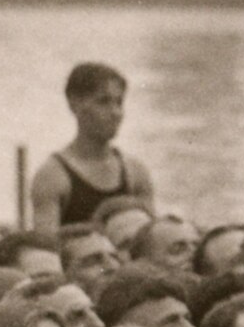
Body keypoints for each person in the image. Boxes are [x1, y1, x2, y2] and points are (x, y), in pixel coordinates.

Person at [28, 64, 156, 236]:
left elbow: (153, 239)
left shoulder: (136, 172)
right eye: (103, 102)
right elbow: (45, 248)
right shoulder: (52, 176)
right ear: (74, 105)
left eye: (119, 102)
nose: (115, 112)